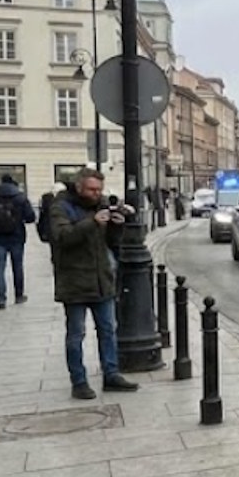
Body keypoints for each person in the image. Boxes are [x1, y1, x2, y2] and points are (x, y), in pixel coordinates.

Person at [49, 168, 140, 400]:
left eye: (99, 189)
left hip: (101, 280)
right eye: (91, 189)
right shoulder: (61, 206)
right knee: (76, 334)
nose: (96, 193)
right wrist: (92, 222)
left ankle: (111, 374)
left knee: (108, 330)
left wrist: (117, 226)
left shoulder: (102, 205)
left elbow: (110, 242)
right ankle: (79, 381)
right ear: (79, 187)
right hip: (74, 281)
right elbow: (61, 237)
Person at [0, 174, 36, 310]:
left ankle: (1, 299)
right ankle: (19, 295)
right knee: (17, 266)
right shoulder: (20, 197)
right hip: (16, 236)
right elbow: (30, 217)